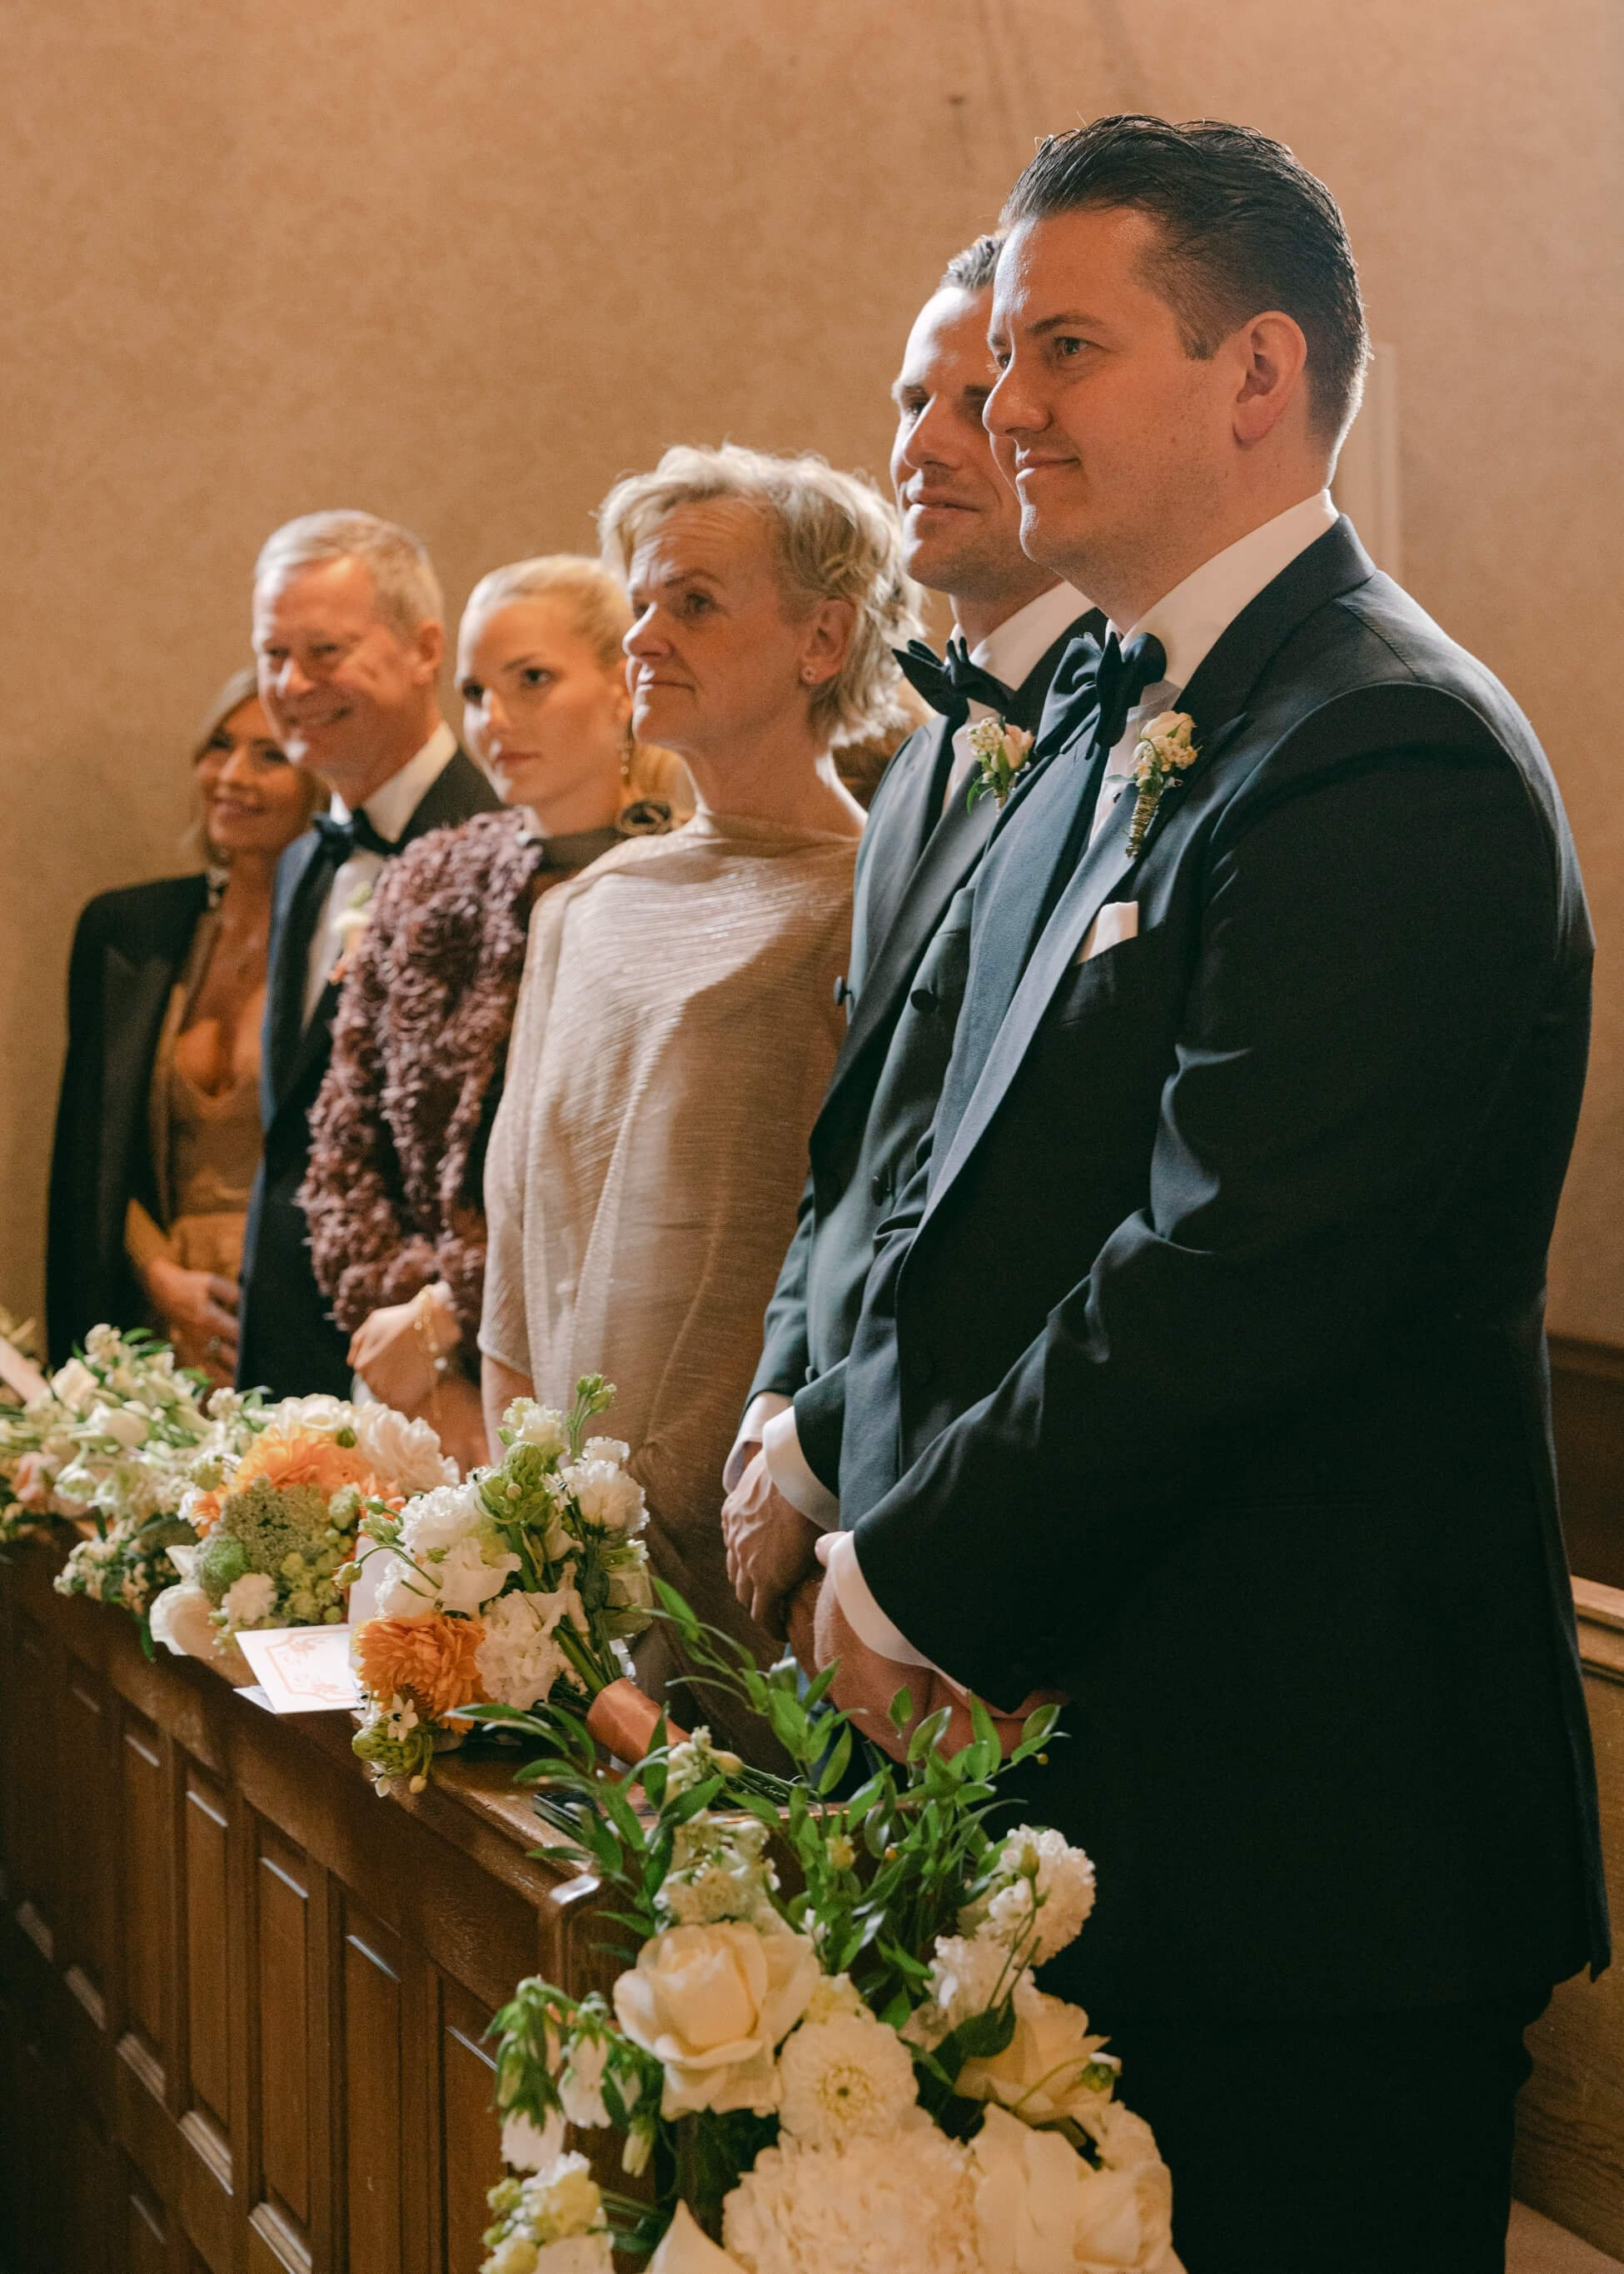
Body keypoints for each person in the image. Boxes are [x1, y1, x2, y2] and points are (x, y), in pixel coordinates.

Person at [809, 117, 1607, 2273]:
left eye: (1061, 347)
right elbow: (935, 1145)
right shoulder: (1103, 706)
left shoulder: (1384, 753)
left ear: (1256, 378)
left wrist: (912, 1576)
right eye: (999, 360)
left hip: (1299, 1851)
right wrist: (827, 1435)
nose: (999, 403)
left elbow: (1232, 1269)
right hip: (1085, 1793)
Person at [480, 445, 921, 1760]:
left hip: (753, 1538)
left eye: (695, 604)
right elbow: (518, 1234)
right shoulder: (585, 904)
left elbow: (867, 1243)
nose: (643, 635)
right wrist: (513, 1536)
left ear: (821, 637)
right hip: (563, 1548)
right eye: (640, 602)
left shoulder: (877, 905)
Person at [720, 231, 1103, 1641]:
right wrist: (778, 1386)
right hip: (839, 1436)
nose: (929, 444)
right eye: (907, 404)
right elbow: (857, 1132)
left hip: (966, 1463)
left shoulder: (1115, 731)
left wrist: (828, 1431)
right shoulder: (925, 763)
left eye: (970, 401)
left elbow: (1023, 1164)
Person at [299, 556, 689, 1475]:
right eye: (475, 691)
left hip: (614, 1379)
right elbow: (343, 1141)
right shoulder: (430, 878)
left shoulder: (684, 884)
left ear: (627, 681)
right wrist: (411, 1337)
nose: (494, 720)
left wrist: (454, 1315)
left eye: (532, 680)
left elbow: (641, 1183)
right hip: (409, 1381)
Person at [237, 510, 500, 1400]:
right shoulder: (303, 857)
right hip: (284, 1348)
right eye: (274, 655)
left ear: (425, 649)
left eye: (325, 651)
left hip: (425, 1371)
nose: (292, 683)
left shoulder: (496, 849)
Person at [47, 671, 322, 1374]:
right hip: (152, 1320)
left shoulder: (343, 942)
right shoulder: (131, 932)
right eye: (220, 746)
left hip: (296, 1311)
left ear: (320, 783)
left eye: (270, 756)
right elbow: (93, 1152)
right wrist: (160, 1279)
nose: (232, 775)